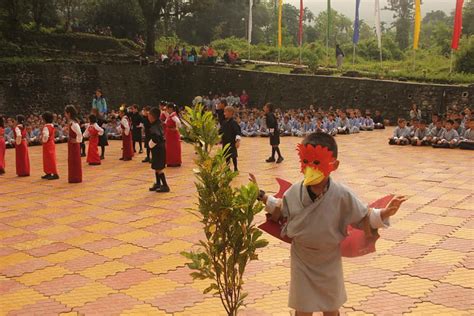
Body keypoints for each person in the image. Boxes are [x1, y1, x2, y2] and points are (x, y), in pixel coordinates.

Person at [253, 132, 406, 316]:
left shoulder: (342, 194)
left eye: (317, 163)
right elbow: (280, 207)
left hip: (329, 258)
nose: (311, 169)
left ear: (334, 165)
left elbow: (363, 216)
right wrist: (261, 195)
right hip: (302, 257)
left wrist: (384, 213)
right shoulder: (295, 191)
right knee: (302, 307)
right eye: (306, 162)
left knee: (331, 307)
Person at [148, 107, 169, 193]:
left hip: (158, 149)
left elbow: (156, 138)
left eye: (149, 116)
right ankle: (158, 183)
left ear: (153, 117)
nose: (148, 117)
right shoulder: (157, 123)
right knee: (156, 166)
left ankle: (165, 185)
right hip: (158, 149)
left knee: (159, 168)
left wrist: (150, 144)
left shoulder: (154, 127)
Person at [65, 105, 83, 183]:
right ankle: (73, 176)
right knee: (72, 161)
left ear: (69, 114)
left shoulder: (74, 124)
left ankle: (76, 177)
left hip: (74, 145)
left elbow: (79, 134)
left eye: (65, 113)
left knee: (75, 161)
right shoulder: (71, 123)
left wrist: (76, 141)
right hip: (71, 144)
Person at [220, 106, 241, 172]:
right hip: (225, 142)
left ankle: (235, 168)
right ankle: (227, 168)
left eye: (225, 112)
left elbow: (237, 132)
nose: (224, 113)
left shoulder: (233, 123)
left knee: (233, 156)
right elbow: (221, 131)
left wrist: (237, 141)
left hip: (232, 142)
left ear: (230, 112)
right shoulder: (224, 122)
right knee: (227, 156)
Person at [41, 112, 59, 180]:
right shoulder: (51, 125)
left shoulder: (46, 127)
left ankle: (54, 173)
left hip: (47, 144)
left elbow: (46, 136)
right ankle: (49, 172)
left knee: (49, 159)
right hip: (51, 143)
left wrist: (43, 140)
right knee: (50, 158)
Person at [164, 103, 182, 167]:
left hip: (173, 135)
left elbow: (179, 123)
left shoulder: (174, 116)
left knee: (174, 148)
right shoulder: (170, 116)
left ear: (170, 109)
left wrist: (176, 129)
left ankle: (175, 162)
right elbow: (165, 123)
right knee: (170, 148)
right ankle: (170, 161)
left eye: (167, 109)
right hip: (169, 134)